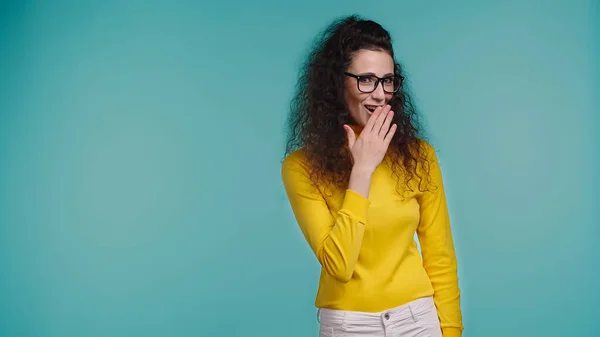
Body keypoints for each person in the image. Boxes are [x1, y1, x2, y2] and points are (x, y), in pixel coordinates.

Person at [281, 15, 463, 337]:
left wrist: (451, 332)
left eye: (387, 80)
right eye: (366, 79)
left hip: (418, 321)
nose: (380, 94)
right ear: (338, 82)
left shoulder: (419, 157)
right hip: (349, 325)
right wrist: (362, 170)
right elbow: (339, 264)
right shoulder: (301, 166)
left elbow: (440, 258)